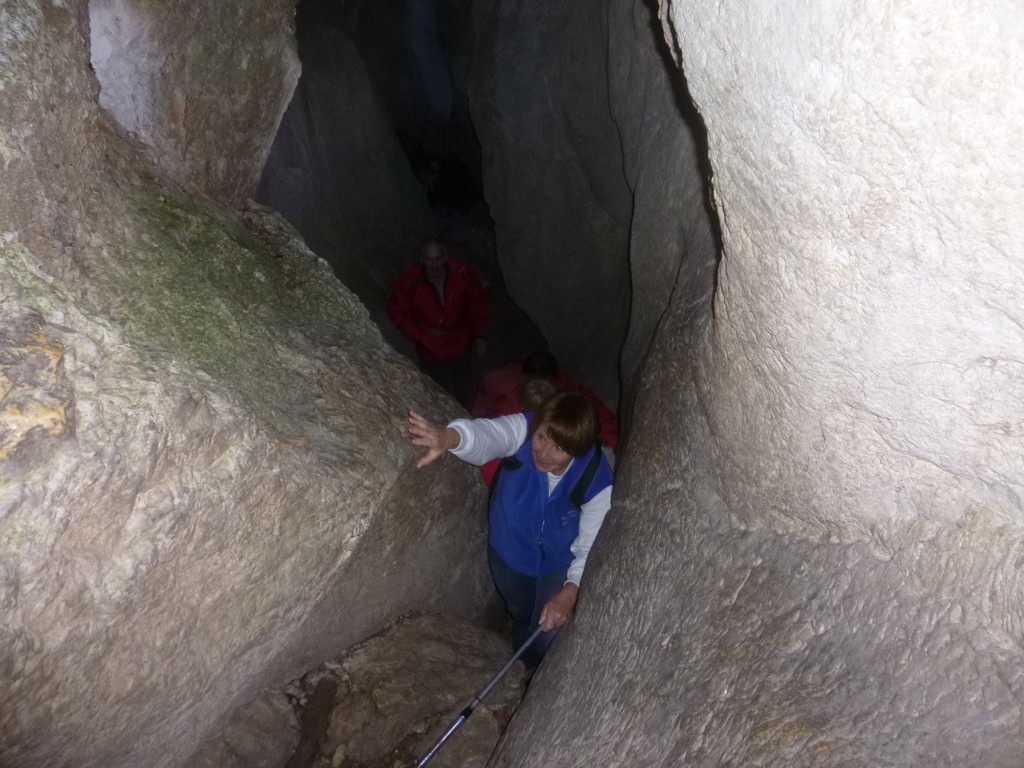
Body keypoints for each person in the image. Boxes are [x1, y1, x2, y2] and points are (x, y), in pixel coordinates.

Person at [408, 392, 614, 669]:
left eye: (558, 449)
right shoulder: (524, 431)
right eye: (542, 438)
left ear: (576, 451)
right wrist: (448, 438)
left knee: (545, 635)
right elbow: (490, 434)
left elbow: (592, 544)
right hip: (510, 553)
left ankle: (527, 667)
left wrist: (571, 592)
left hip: (559, 565)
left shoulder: (595, 477)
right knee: (520, 612)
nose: (542, 451)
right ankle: (518, 647)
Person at [388, 239, 488, 407]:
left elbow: (478, 303)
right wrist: (420, 336)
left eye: (438, 258)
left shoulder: (462, 273)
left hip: (461, 342)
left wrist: (480, 334)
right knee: (437, 392)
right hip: (431, 348)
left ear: (446, 257)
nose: (434, 265)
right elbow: (396, 312)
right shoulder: (410, 282)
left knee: (464, 388)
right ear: (421, 259)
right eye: (429, 259)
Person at [472, 351, 618, 454]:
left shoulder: (569, 389)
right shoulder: (506, 396)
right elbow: (494, 434)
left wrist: (611, 444)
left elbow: (598, 415)